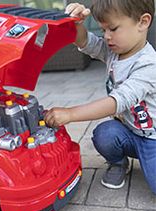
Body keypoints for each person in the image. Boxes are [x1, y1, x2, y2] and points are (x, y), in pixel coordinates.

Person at [44, 0, 156, 194]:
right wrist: (76, 24)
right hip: (128, 132)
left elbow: (117, 102)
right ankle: (119, 163)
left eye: (112, 28)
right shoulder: (115, 51)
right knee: (104, 134)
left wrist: (70, 114)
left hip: (152, 139)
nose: (106, 37)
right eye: (103, 30)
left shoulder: (148, 64)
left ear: (143, 22)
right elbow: (86, 41)